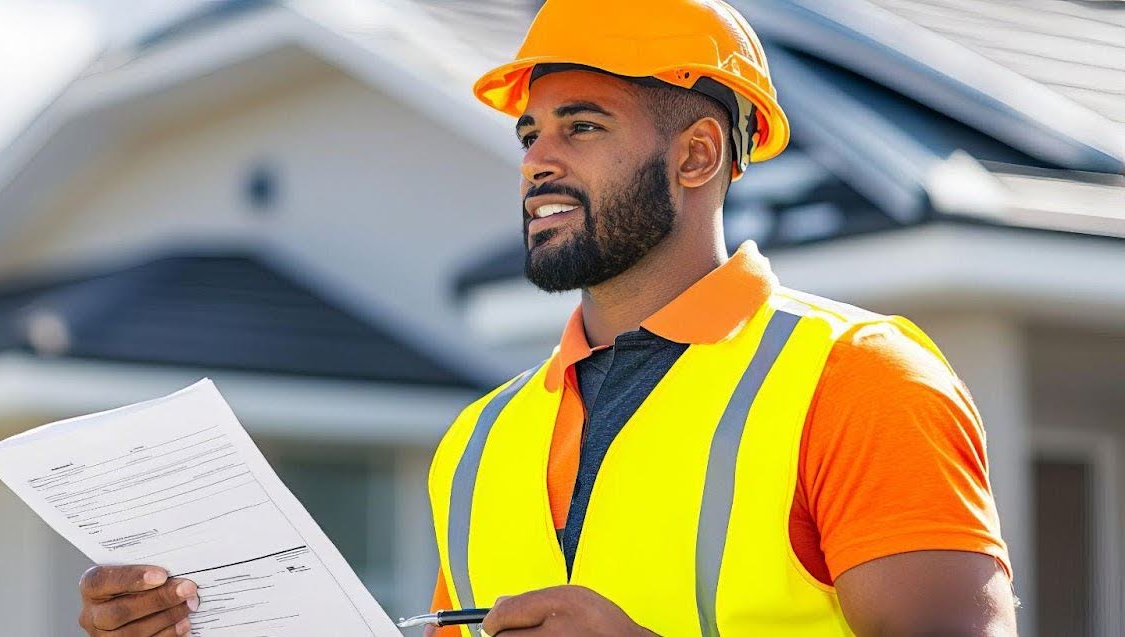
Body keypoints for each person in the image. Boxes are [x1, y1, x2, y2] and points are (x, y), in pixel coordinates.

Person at [76, 1, 1015, 635]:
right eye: (530, 134)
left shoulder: (859, 380)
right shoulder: (481, 443)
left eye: (583, 126)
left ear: (695, 157)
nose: (537, 160)